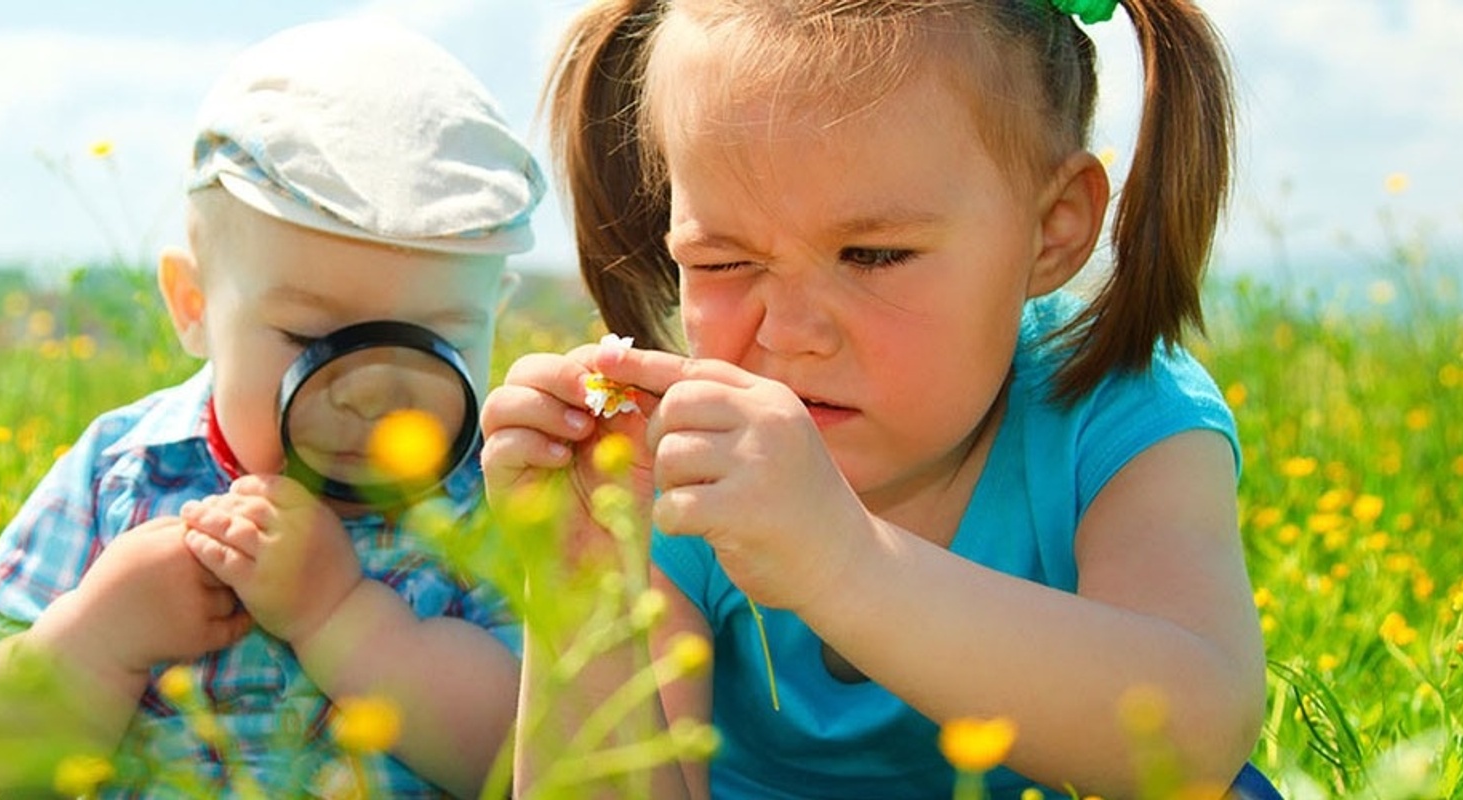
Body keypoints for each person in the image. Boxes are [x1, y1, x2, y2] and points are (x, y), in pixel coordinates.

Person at [481, 0, 1284, 798]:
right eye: (723, 262)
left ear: (1053, 229)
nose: (791, 334)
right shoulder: (676, 469)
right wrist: (579, 586)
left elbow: (1197, 743)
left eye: (873, 255)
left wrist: (842, 563)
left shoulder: (1118, 414)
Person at [0, 18, 544, 798]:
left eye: (432, 341)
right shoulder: (123, 472)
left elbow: (535, 761)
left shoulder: (497, 502)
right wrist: (100, 633)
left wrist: (342, 616)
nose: (369, 388)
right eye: (311, 336)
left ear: (496, 315)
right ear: (191, 303)